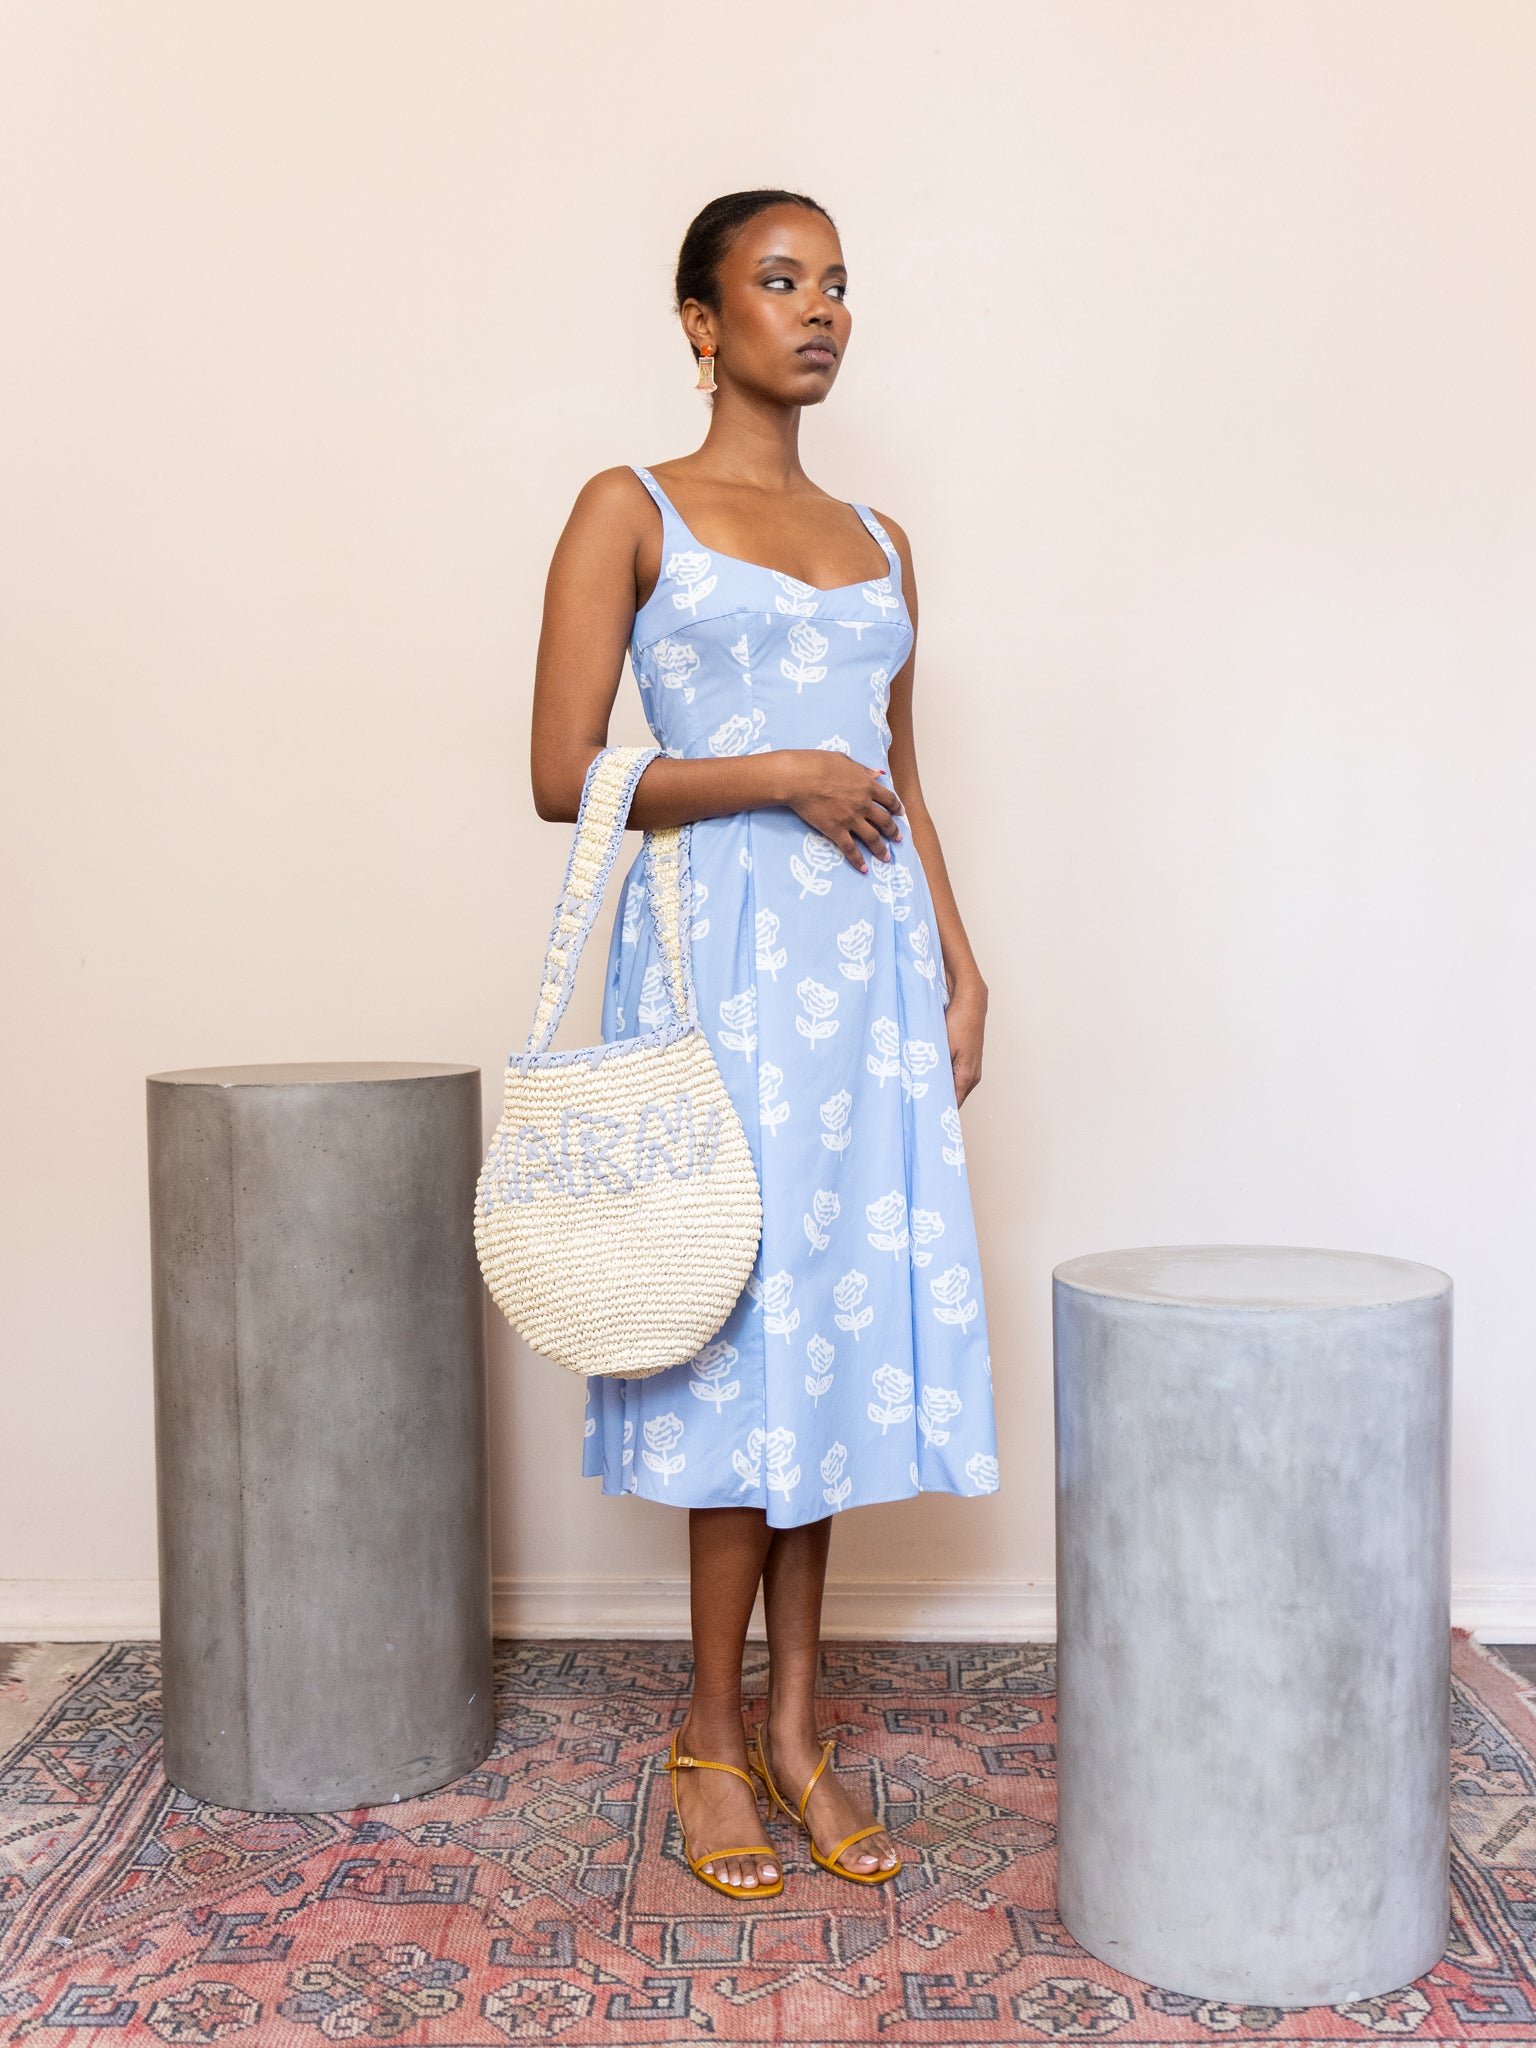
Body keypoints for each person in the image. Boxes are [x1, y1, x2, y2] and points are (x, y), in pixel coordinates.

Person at [528, 189, 999, 1899]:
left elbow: (902, 778)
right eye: (780, 281)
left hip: (866, 982)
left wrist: (962, 963)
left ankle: (799, 1728)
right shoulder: (629, 506)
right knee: (737, 1332)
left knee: (834, 1331)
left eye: (837, 286)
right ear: (700, 320)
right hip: (715, 970)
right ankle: (709, 1736)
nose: (819, 312)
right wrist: (777, 775)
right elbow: (562, 773)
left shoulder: (881, 536)